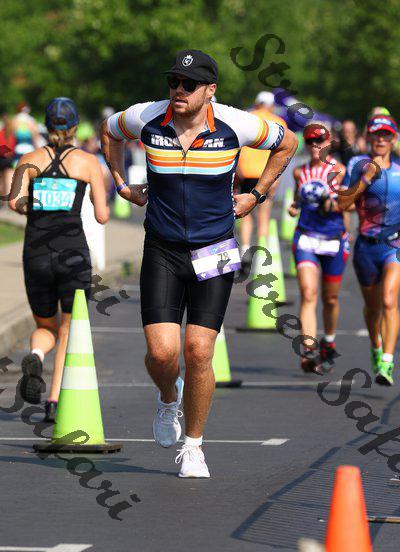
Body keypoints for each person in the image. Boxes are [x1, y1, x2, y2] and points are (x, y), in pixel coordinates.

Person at [101, 49, 298, 477]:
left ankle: (193, 446)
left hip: (214, 248)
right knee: (162, 353)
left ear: (210, 90)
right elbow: (108, 131)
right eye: (173, 81)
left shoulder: (237, 124)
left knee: (199, 351)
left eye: (188, 84)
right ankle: (167, 399)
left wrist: (257, 194)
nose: (178, 90)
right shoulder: (146, 117)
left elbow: (288, 143)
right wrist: (120, 184)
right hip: (163, 249)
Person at [8, 97, 109, 421]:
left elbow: (14, 203)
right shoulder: (87, 162)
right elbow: (102, 215)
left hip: (36, 253)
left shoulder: (29, 158)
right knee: (68, 328)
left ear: (46, 125)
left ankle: (37, 354)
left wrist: (40, 204)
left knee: (45, 326)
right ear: (76, 127)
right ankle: (53, 401)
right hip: (73, 255)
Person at [338, 114, 400, 385]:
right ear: (369, 138)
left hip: (394, 245)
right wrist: (365, 180)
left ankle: (387, 361)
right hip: (366, 246)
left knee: (389, 300)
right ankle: (376, 346)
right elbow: (342, 204)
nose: (381, 140)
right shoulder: (357, 165)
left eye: (386, 135)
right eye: (377, 135)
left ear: (393, 139)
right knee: (373, 309)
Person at [290, 124, 349, 373]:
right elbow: (298, 198)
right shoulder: (299, 172)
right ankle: (309, 352)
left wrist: (333, 204)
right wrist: (294, 206)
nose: (315, 146)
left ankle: (329, 341)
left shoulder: (339, 170)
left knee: (330, 299)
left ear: (329, 142)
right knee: (308, 292)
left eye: (320, 141)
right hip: (306, 237)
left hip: (333, 239)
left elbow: (348, 205)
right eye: (310, 141)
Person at [237, 91, 287, 261]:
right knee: (263, 215)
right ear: (271, 105)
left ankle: (245, 248)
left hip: (247, 172)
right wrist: (276, 178)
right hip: (267, 174)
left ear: (256, 102)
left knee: (246, 214)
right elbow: (282, 154)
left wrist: (238, 171)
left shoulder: (246, 118)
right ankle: (260, 252)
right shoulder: (278, 122)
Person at [0, 111, 16, 200]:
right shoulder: (12, 134)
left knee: (2, 179)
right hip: (9, 159)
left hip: (1, 159)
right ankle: (7, 198)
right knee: (8, 179)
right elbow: (13, 148)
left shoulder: (1, 133)